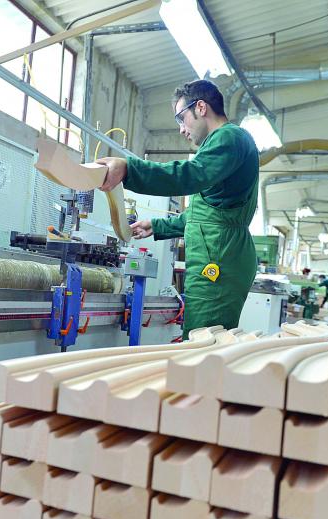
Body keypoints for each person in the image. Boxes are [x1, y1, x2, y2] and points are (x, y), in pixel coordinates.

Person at [96, 80, 259, 340]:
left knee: (203, 341)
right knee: (205, 338)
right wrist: (157, 226)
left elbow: (189, 175)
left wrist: (129, 169)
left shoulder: (229, 138)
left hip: (219, 257)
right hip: (220, 251)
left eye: (181, 118)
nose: (181, 129)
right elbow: (207, 217)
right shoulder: (224, 145)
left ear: (201, 107)